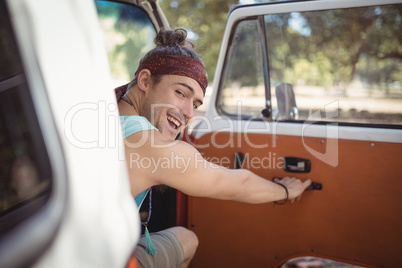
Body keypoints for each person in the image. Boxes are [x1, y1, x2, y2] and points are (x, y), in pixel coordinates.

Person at [116, 28, 311, 268]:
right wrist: (284, 191)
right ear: (145, 80)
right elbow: (237, 185)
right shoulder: (149, 145)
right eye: (180, 92)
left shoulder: (106, 108)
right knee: (187, 239)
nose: (188, 113)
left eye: (195, 104)